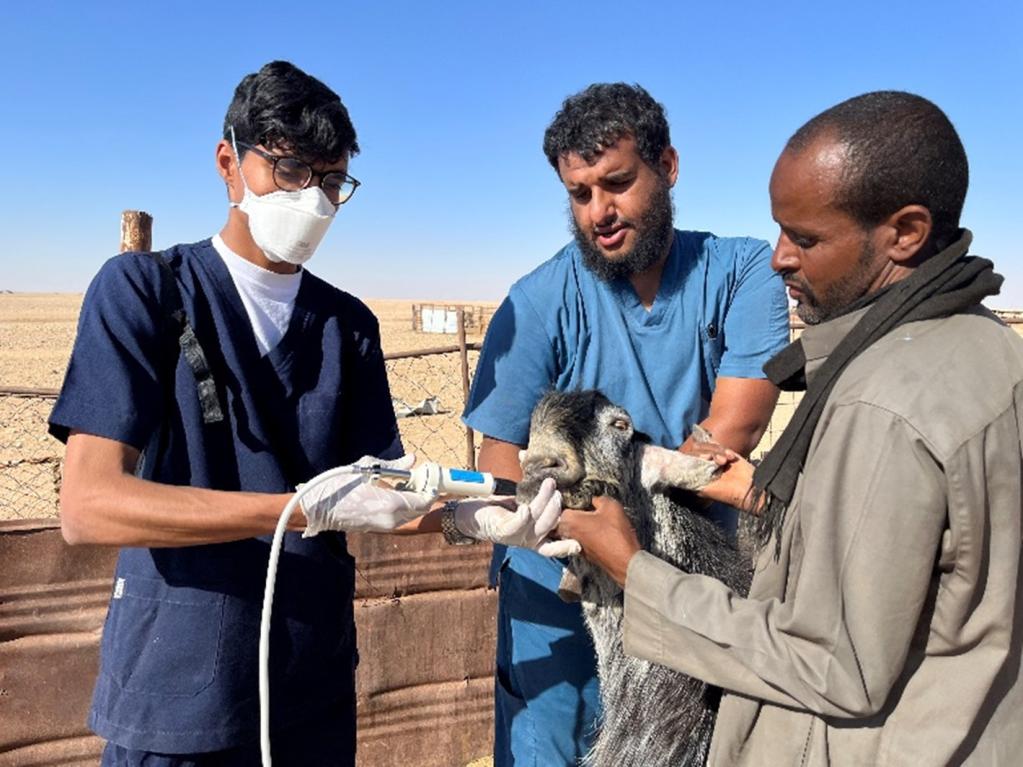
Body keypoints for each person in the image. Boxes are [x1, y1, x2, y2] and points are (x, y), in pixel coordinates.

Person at [49, 61, 564, 767]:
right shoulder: (146, 293)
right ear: (229, 164)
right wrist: (293, 509)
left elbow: (369, 495)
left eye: (330, 181)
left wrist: (459, 520)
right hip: (178, 692)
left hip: (308, 687)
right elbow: (89, 505)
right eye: (290, 169)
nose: (313, 200)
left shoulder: (346, 326)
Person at [559, 90, 1023, 765]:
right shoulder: (987, 350)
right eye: (780, 231)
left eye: (805, 238)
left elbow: (833, 661)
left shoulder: (881, 404)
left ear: (905, 232)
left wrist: (634, 571)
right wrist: (773, 498)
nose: (779, 257)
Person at [462, 82, 790, 765]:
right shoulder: (539, 300)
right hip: (556, 594)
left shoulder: (739, 273)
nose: (598, 212)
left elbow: (726, 437)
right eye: (579, 194)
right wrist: (513, 515)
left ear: (666, 167)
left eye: (616, 183)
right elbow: (499, 457)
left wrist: (622, 489)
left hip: (687, 584)